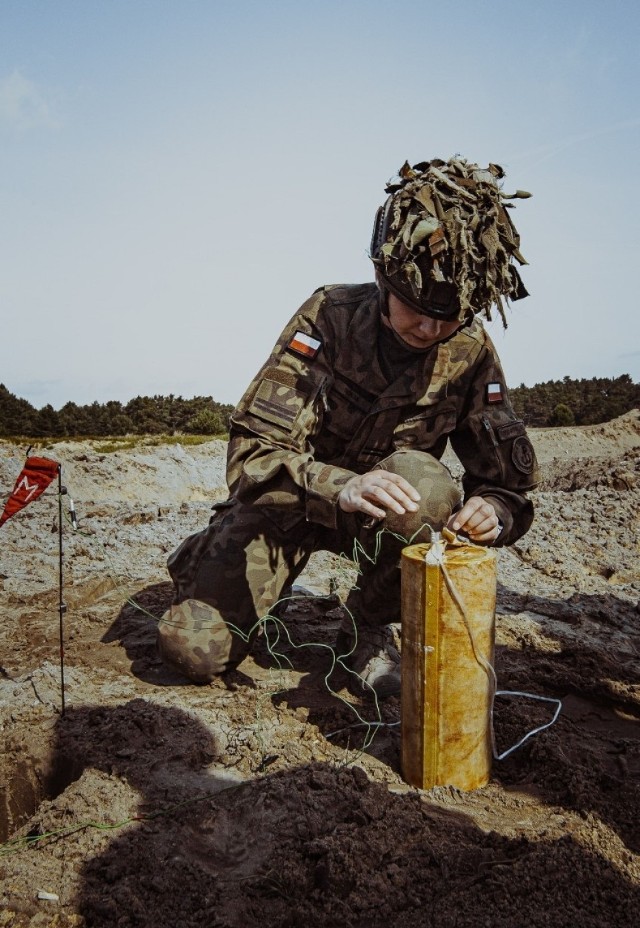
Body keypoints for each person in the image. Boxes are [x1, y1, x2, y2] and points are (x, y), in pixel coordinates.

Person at [158, 156, 539, 698]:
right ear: (385, 279)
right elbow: (251, 459)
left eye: (448, 316)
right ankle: (202, 555)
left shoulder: (470, 352)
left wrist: (495, 510)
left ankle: (366, 620)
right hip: (289, 511)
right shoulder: (329, 316)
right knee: (192, 651)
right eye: (414, 309)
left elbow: (508, 485)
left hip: (380, 526)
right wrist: (342, 487)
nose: (430, 328)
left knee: (426, 489)